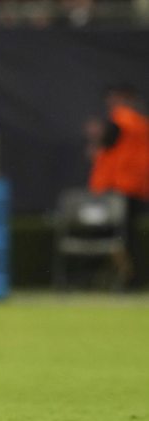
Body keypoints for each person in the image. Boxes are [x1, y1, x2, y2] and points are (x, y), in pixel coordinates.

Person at [87, 83, 149, 288]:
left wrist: (96, 137)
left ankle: (124, 278)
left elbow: (106, 141)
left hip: (119, 187)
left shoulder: (122, 119)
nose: (111, 102)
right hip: (135, 187)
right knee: (128, 236)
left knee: (114, 235)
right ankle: (131, 278)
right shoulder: (140, 123)